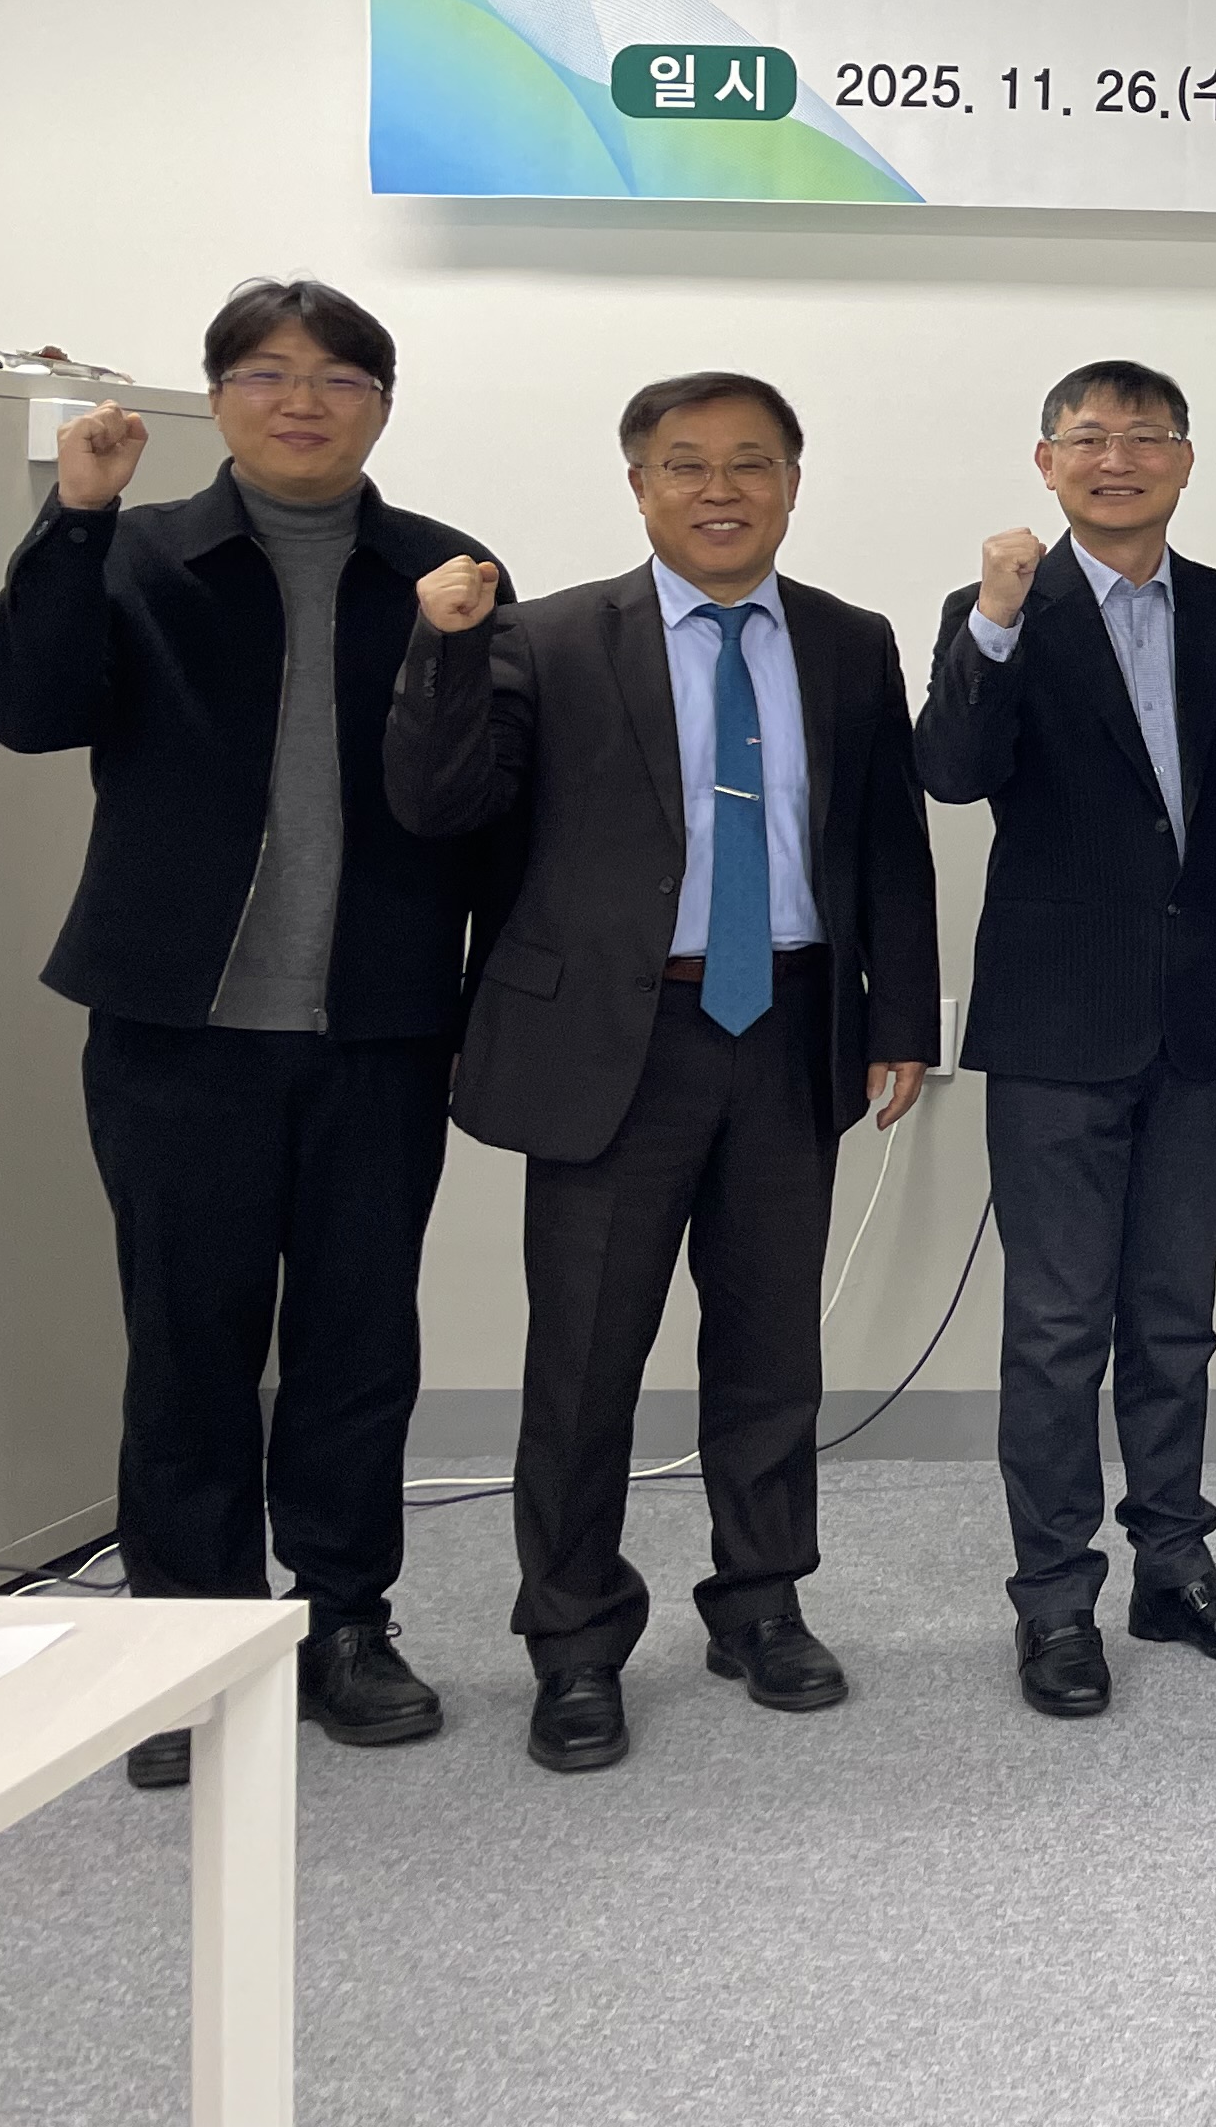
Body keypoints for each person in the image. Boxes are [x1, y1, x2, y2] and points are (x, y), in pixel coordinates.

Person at [0, 279, 508, 1791]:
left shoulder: (445, 568)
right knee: (187, 1346)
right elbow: (28, 708)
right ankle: (187, 1648)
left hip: (379, 1026)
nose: (302, 400)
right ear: (219, 397)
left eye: (338, 376)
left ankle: (345, 1623)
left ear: (381, 404)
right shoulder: (139, 549)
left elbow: (481, 791)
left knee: (357, 1343)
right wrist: (74, 517)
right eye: (266, 373)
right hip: (176, 1028)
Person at [385, 371, 937, 1776]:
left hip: (790, 1024)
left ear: (794, 484)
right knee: (585, 1361)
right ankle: (573, 1639)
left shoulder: (850, 640)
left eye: (752, 462)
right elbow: (441, 806)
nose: (720, 489)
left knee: (770, 1348)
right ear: (639, 487)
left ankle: (761, 1602)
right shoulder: (549, 636)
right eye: (686, 464)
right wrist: (444, 654)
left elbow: (884, 839)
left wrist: (901, 1016)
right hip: (612, 1043)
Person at [915, 359, 1216, 1720]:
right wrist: (991, 618)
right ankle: (1053, 1595)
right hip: (1054, 1024)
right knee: (1054, 1327)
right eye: (1088, 438)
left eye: (1145, 436)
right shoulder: (997, 613)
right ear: (1046, 463)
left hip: (1207, 1017)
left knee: (1173, 1317)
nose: (1117, 459)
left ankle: (1173, 1562)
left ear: (1185, 461)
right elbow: (952, 772)